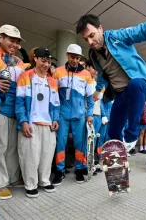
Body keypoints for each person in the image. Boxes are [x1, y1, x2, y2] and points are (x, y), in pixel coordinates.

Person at [76, 0, 146, 152]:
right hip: (121, 94)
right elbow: (104, 76)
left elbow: (143, 31)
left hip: (141, 87)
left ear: (100, 28)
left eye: (92, 35)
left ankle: (132, 136)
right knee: (113, 131)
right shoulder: (93, 55)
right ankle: (117, 163)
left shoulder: (118, 37)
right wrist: (97, 91)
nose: (90, 42)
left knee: (135, 84)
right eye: (86, 40)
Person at [0, 24, 26, 200]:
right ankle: (0, 183)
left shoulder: (18, 61)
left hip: (15, 110)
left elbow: (28, 78)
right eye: (11, 40)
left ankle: (12, 178)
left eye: (17, 42)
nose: (15, 44)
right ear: (0, 37)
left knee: (11, 147)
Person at [16, 47, 60, 198]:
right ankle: (30, 184)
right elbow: (20, 101)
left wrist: (55, 119)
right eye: (43, 60)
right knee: (30, 156)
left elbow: (56, 104)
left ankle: (45, 180)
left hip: (47, 124)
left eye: (48, 61)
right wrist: (23, 121)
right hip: (31, 122)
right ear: (35, 59)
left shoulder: (52, 81)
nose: (46, 64)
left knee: (47, 155)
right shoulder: (25, 76)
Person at [52, 44, 94, 185]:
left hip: (80, 115)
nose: (74, 60)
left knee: (79, 144)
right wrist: (54, 115)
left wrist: (89, 114)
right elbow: (54, 96)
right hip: (62, 115)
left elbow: (90, 98)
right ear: (67, 55)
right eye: (72, 57)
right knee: (60, 143)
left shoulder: (86, 74)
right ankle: (59, 171)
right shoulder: (57, 72)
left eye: (77, 58)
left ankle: (80, 169)